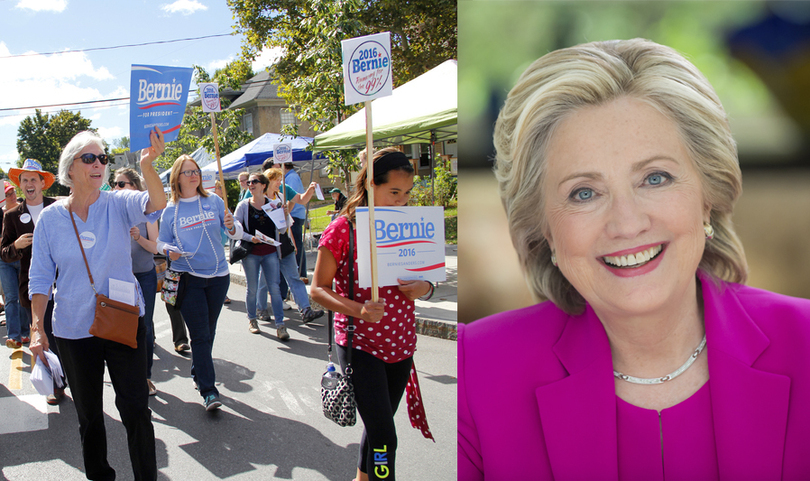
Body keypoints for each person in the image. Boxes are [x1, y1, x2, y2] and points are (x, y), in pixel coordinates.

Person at [457, 39, 810, 480]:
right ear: (542, 226)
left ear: (709, 195)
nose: (626, 223)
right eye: (583, 193)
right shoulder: (475, 371)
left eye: (655, 178)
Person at [28, 128, 167, 480]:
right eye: (89, 158)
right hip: (74, 329)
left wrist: (148, 166)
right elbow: (41, 277)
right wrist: (35, 328)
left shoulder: (118, 203)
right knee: (89, 416)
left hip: (121, 321)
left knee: (136, 409)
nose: (99, 164)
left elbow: (156, 204)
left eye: (102, 158)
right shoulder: (51, 219)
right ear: (69, 169)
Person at [312, 148, 434, 481]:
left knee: (380, 425)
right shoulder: (343, 229)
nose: (401, 200)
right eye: (394, 192)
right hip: (361, 343)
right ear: (369, 185)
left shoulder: (413, 224)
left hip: (401, 343)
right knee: (384, 436)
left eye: (407, 193)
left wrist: (425, 287)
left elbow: (430, 278)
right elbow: (317, 289)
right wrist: (359, 310)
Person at [157, 154, 242, 411]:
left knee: (209, 331)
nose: (194, 175)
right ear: (177, 178)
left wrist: (232, 225)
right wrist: (168, 249)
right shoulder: (170, 210)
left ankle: (198, 371)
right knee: (201, 335)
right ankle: (209, 390)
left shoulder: (214, 201)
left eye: (195, 171)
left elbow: (235, 231)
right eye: (187, 172)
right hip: (187, 278)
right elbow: (161, 243)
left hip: (218, 277)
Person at [233, 170, 323, 339]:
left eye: (254, 182)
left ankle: (281, 325)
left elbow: (282, 229)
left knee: (275, 287)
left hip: (272, 252)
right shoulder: (244, 205)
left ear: (263, 185)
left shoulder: (275, 202)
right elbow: (236, 230)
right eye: (249, 182)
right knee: (253, 288)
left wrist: (285, 216)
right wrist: (248, 237)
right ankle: (253, 318)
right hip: (251, 253)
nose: (250, 185)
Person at [1, 159, 60, 402]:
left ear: (42, 183)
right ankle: (50, 388)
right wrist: (16, 245)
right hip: (32, 285)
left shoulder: (57, 208)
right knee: (39, 333)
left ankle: (66, 378)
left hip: (63, 283)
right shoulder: (13, 215)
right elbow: (3, 251)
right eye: (24, 180)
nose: (28, 184)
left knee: (63, 336)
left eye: (33, 179)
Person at [113, 168, 160, 397]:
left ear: (134, 186)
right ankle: (125, 376)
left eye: (122, 184)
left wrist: (137, 237)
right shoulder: (113, 211)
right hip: (120, 278)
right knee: (121, 328)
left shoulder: (146, 213)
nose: (117, 189)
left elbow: (155, 246)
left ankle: (146, 376)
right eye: (115, 184)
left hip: (144, 276)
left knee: (145, 327)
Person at [1, 179, 29, 350]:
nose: (12, 195)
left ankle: (25, 332)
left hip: (22, 258)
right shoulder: (1, 214)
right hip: (4, 261)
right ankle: (14, 337)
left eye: (12, 192)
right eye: (7, 194)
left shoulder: (23, 210)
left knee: (23, 297)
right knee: (11, 298)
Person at [282, 162, 309, 281]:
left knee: (295, 245)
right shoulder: (291, 176)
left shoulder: (291, 177)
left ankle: (300, 273)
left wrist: (286, 212)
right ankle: (299, 273)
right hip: (295, 215)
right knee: (296, 244)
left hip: (294, 215)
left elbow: (291, 197)